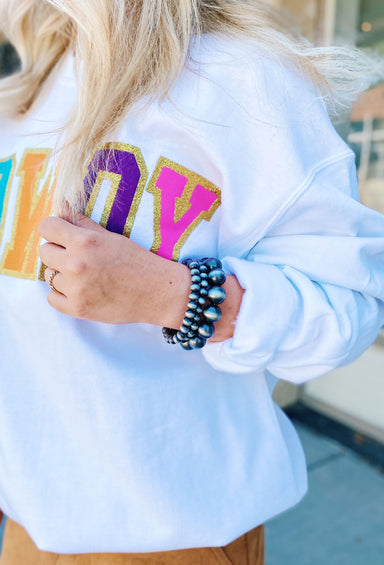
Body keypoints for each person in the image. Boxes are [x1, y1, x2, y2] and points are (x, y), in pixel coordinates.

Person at [0, 1, 383, 563]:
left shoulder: (242, 78)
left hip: (173, 539)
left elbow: (347, 309)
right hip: (33, 526)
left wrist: (173, 296)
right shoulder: (29, 91)